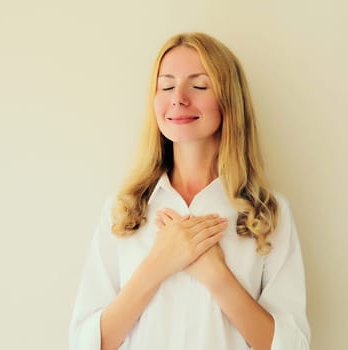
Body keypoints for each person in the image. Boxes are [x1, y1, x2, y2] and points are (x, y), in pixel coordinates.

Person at [69, 32, 310, 350]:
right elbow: (84, 343)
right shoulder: (123, 210)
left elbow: (292, 346)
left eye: (198, 86)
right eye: (166, 86)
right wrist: (158, 263)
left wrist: (216, 275)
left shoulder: (268, 213)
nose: (178, 98)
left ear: (228, 100)